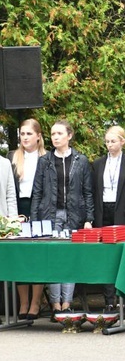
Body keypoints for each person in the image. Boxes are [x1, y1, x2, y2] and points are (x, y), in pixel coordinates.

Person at [31, 120, 94, 315]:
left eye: (59, 133)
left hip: (74, 215)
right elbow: (37, 192)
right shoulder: (45, 161)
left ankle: (67, 304)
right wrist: (35, 221)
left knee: (69, 259)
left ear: (69, 135)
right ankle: (55, 305)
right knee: (53, 259)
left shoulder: (80, 160)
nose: (55, 137)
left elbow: (87, 192)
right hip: (50, 215)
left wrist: (89, 218)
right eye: (53, 134)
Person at [92, 125, 125, 310]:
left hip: (121, 212)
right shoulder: (98, 164)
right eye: (107, 142)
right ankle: (109, 300)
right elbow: (95, 192)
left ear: (122, 141)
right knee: (106, 256)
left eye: (113, 141)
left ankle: (124, 297)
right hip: (103, 211)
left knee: (120, 256)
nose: (109, 145)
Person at [11, 119, 46, 319]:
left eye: (29, 134)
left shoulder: (46, 158)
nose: (25, 138)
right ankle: (23, 303)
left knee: (37, 257)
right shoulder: (13, 157)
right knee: (21, 257)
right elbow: (10, 188)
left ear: (38, 136)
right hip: (19, 208)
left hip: (39, 209)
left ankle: (35, 303)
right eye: (22, 134)